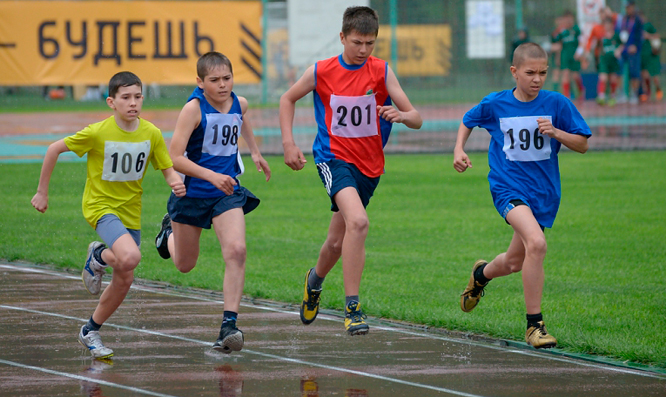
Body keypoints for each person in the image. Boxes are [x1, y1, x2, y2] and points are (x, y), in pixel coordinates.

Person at [279, 6, 422, 336]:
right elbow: (288, 99)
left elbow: (417, 117)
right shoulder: (322, 71)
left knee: (335, 241)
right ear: (342, 37)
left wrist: (402, 116)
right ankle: (353, 307)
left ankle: (314, 281)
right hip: (333, 159)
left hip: (369, 166)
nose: (363, 50)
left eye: (370, 43)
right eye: (357, 42)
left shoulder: (382, 71)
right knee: (358, 222)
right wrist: (289, 143)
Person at [31, 71, 186, 359]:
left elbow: (166, 166)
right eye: (125, 98)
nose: (133, 103)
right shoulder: (97, 132)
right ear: (111, 102)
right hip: (100, 206)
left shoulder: (150, 133)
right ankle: (99, 256)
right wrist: (42, 192)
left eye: (137, 97)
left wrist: (174, 180)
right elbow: (54, 149)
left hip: (130, 212)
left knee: (125, 277)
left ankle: (90, 330)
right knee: (130, 257)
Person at [453, 42, 591, 349]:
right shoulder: (497, 104)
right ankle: (534, 326)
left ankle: (480, 275)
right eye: (530, 73)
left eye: (543, 72)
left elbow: (582, 144)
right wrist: (459, 148)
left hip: (543, 194)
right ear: (515, 72)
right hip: (508, 188)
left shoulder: (557, 104)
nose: (537, 79)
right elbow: (468, 119)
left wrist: (557, 133)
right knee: (537, 244)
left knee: (515, 262)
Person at [154, 52, 271, 354]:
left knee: (237, 250)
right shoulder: (193, 110)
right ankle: (167, 235)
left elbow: (241, 120)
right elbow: (175, 158)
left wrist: (255, 152)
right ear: (200, 82)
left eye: (227, 78)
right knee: (184, 265)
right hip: (191, 194)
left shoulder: (239, 102)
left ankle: (228, 326)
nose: (222, 85)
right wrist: (210, 176)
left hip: (226, 192)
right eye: (214, 80)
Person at [552, 10, 585, 100]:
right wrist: (558, 57)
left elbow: (582, 42)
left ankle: (581, 90)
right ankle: (567, 97)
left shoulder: (576, 29)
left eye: (569, 19)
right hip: (565, 56)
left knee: (575, 76)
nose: (568, 21)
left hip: (575, 56)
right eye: (566, 19)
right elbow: (559, 44)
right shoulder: (561, 31)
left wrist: (580, 53)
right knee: (565, 74)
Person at [617, 0, 643, 104]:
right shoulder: (623, 19)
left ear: (633, 7)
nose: (628, 9)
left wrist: (635, 46)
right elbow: (620, 34)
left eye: (629, 7)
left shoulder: (637, 20)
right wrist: (620, 46)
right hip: (624, 49)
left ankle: (634, 94)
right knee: (619, 71)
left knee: (634, 72)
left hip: (634, 50)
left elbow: (640, 36)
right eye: (626, 7)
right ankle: (621, 94)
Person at [594, 18, 623, 106]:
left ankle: (612, 96)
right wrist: (598, 59)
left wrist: (618, 50)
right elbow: (598, 48)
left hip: (613, 61)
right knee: (603, 77)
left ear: (612, 25)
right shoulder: (601, 37)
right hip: (604, 60)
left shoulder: (616, 36)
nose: (607, 26)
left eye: (609, 24)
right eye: (605, 25)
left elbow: (622, 45)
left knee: (613, 78)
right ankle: (601, 97)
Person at [639, 11, 662, 102]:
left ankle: (658, 90)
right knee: (645, 75)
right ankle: (648, 92)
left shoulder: (648, 26)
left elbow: (657, 36)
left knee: (654, 76)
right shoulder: (637, 28)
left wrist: (647, 36)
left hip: (652, 56)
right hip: (643, 55)